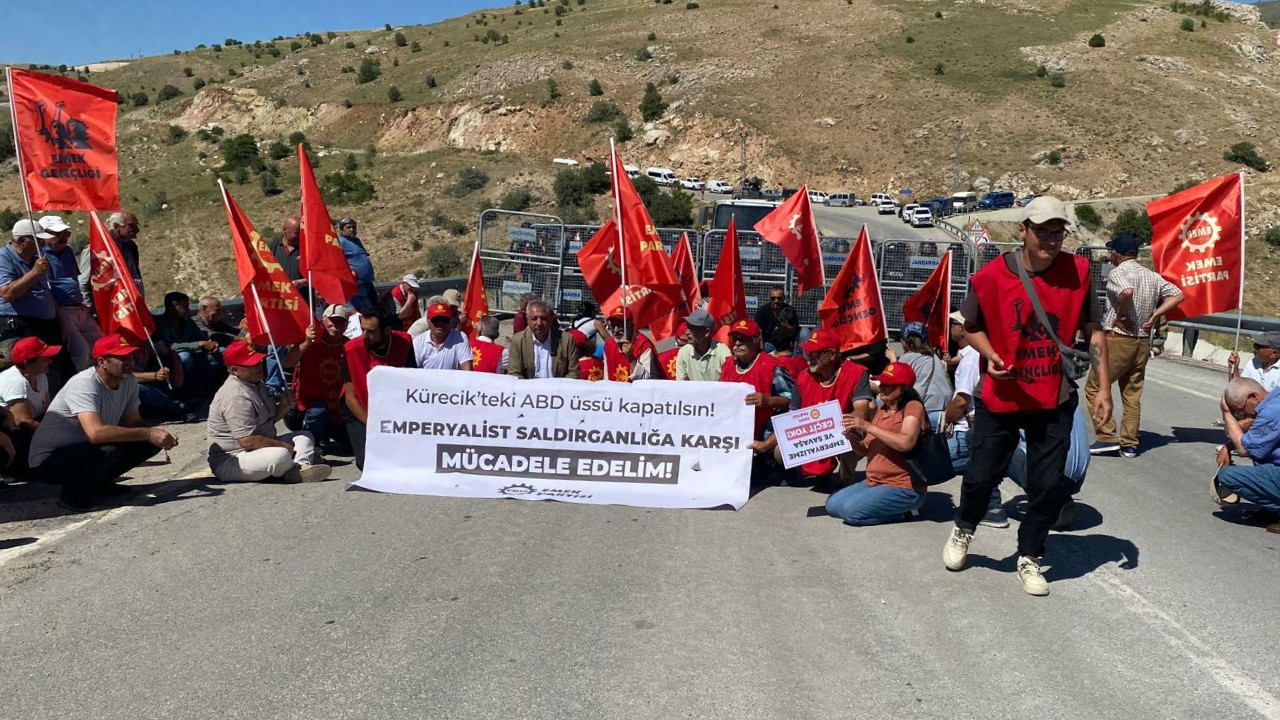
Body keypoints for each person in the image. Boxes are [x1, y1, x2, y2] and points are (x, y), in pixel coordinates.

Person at [942, 196, 1111, 597]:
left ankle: (1030, 554)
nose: (1052, 239)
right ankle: (965, 527)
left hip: (1054, 397)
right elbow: (971, 326)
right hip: (1002, 395)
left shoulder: (1081, 272)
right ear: (1023, 230)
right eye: (1042, 231)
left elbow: (1094, 330)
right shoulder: (991, 277)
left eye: (1058, 231)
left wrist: (1103, 388)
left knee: (1046, 482)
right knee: (981, 475)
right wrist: (990, 355)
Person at [28, 333, 179, 510]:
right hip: (49, 460)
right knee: (109, 449)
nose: (129, 361)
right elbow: (95, 433)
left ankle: (99, 484)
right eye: (122, 357)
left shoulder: (128, 380)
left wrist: (158, 435)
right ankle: (72, 495)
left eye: (130, 356)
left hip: (83, 449)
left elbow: (132, 423)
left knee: (148, 442)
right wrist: (149, 432)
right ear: (102, 362)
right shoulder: (84, 384)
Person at [1085, 233, 1184, 458]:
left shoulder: (1119, 272)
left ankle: (1107, 436)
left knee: (1095, 386)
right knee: (1132, 393)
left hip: (1119, 338)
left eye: (1112, 251)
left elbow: (1127, 292)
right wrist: (1154, 315)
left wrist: (1122, 314)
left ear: (1117, 253)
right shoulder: (1152, 276)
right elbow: (1178, 295)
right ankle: (1129, 443)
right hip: (1142, 341)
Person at [206, 340, 331, 483]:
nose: (259, 366)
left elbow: (268, 420)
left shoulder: (256, 383)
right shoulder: (235, 395)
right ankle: (297, 464)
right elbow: (248, 441)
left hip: (256, 450)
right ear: (235, 370)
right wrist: (285, 447)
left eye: (258, 361)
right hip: (232, 458)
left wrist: (284, 406)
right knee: (281, 455)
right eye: (252, 364)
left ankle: (299, 468)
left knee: (304, 436)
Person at [826, 362, 928, 525]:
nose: (882, 388)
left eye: (888, 385)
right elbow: (864, 450)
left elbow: (905, 443)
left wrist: (867, 426)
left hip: (902, 486)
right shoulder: (882, 409)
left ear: (903, 389)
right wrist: (850, 436)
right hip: (874, 482)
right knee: (832, 506)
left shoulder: (912, 407)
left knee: (851, 514)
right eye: (882, 383)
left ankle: (905, 512)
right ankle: (880, 503)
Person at [780, 328, 873, 484]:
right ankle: (816, 472)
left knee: (849, 438)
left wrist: (835, 425)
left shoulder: (857, 373)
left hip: (846, 428)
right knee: (779, 451)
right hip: (814, 432)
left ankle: (845, 481)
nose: (809, 357)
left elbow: (861, 411)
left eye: (815, 353)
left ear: (832, 355)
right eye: (808, 352)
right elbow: (792, 415)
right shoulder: (803, 377)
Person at [343, 308, 416, 470]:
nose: (365, 335)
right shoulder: (351, 350)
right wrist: (373, 424)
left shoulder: (404, 343)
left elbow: (412, 384)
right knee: (368, 462)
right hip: (362, 410)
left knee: (407, 458)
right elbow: (350, 397)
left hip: (393, 412)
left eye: (371, 331)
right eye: (363, 329)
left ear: (387, 331)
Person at [1213, 377, 1280, 534]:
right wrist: (1228, 446)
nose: (1241, 414)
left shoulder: (1272, 412)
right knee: (1261, 455)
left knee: (1226, 476)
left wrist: (1226, 413)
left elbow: (1244, 449)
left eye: (1240, 409)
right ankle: (1271, 510)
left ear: (1253, 397)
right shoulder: (1275, 398)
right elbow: (1256, 443)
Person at [719, 318, 797, 451]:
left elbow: (792, 402)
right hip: (733, 435)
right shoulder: (728, 365)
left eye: (743, 339)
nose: (737, 343)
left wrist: (768, 400)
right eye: (735, 339)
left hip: (764, 435)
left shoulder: (772, 366)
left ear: (756, 341)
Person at [39, 215, 102, 371]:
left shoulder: (67, 251)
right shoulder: (39, 255)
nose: (63, 238)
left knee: (100, 343)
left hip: (78, 306)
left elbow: (75, 278)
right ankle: (78, 383)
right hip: (62, 309)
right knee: (80, 350)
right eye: (57, 234)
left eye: (66, 233)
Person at [292, 305, 352, 455]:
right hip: (311, 405)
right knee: (318, 412)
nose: (336, 325)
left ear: (347, 325)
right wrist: (305, 342)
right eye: (332, 321)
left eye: (341, 322)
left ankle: (324, 438)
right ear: (323, 320)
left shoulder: (349, 345)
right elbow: (287, 362)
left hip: (338, 408)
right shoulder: (311, 341)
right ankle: (307, 446)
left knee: (352, 445)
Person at [0, 336, 59, 473]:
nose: (50, 361)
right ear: (27, 362)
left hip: (33, 429)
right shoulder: (16, 382)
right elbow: (24, 422)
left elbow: (49, 411)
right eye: (44, 358)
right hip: (13, 435)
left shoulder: (40, 376)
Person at [155, 291, 224, 398]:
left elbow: (202, 338)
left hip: (195, 358)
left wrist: (211, 345)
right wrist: (198, 344)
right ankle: (179, 393)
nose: (188, 310)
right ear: (171, 308)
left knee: (222, 352)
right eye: (184, 307)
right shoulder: (159, 324)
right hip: (169, 362)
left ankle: (200, 388)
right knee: (185, 357)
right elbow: (170, 346)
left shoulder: (188, 323)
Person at [0, 220, 58, 347]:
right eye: (38, 240)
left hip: (46, 324)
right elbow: (7, 293)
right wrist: (34, 273)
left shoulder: (36, 259)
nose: (42, 244)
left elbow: (46, 291)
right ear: (22, 241)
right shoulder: (4, 257)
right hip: (22, 325)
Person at [897, 320, 953, 428]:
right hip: (944, 410)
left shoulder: (906, 358)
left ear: (905, 341)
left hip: (926, 411)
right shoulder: (934, 356)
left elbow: (895, 384)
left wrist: (893, 360)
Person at [78, 211, 144, 301]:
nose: (137, 230)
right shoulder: (97, 249)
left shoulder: (131, 246)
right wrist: (89, 307)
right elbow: (83, 282)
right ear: (117, 227)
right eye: (131, 226)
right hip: (110, 304)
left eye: (136, 225)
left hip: (133, 299)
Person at [507, 299, 577, 379]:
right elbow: (514, 373)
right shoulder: (518, 340)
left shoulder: (566, 339)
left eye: (543, 319)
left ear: (551, 319)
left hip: (558, 390)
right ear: (527, 320)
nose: (539, 323)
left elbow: (574, 372)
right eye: (534, 319)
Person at [603, 306, 660, 381]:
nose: (616, 330)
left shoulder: (643, 344)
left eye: (620, 325)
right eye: (613, 326)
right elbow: (607, 377)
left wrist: (631, 358)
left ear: (631, 326)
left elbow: (648, 379)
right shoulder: (609, 345)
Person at [674, 309, 732, 381]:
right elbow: (680, 383)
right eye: (687, 327)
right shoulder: (683, 352)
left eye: (692, 328)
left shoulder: (724, 353)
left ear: (707, 332)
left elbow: (729, 384)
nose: (686, 332)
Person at [413, 301, 473, 370]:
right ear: (428, 321)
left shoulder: (460, 338)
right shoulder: (418, 341)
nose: (440, 323)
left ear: (450, 321)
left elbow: (467, 371)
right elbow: (412, 371)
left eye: (445, 320)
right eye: (436, 320)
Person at [336, 218, 377, 310]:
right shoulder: (341, 242)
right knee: (367, 311)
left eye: (354, 227)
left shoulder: (357, 241)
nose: (352, 229)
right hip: (358, 283)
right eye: (348, 227)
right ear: (342, 229)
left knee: (375, 308)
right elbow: (338, 261)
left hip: (368, 281)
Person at [269, 216, 307, 300]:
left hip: (302, 301)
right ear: (285, 230)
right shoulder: (272, 247)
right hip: (279, 301)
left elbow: (318, 276)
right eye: (296, 233)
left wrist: (302, 282)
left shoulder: (307, 248)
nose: (300, 236)